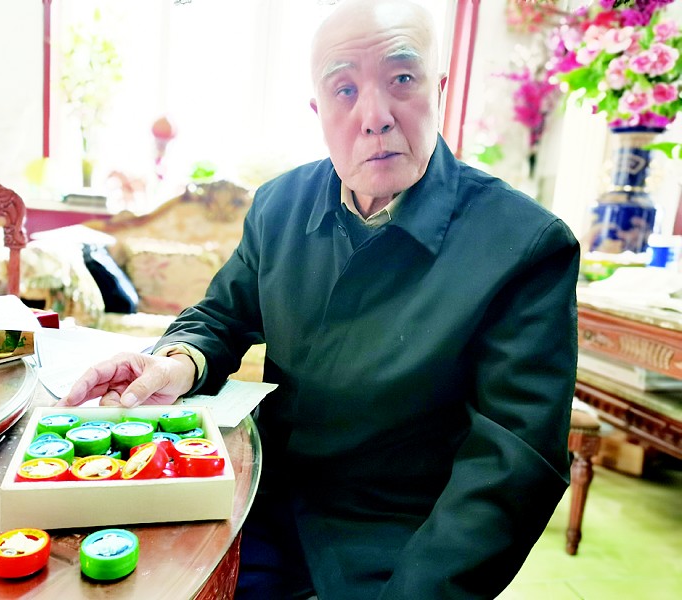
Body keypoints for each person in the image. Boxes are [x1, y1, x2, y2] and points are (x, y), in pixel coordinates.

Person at [60, 0, 580, 597]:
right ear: (319, 110)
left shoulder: (523, 245)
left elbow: (511, 467)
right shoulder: (280, 205)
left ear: (438, 89)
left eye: (401, 79)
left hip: (395, 540)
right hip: (253, 497)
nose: (374, 117)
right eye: (344, 89)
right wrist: (176, 363)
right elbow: (222, 314)